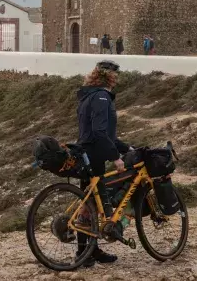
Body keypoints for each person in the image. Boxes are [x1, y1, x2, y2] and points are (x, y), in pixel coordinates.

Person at [75, 60, 130, 267]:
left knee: (90, 203)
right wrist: (116, 157)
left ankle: (89, 250)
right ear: (110, 77)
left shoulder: (88, 94)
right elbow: (99, 132)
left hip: (86, 152)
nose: (117, 80)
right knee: (90, 204)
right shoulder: (101, 96)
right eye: (116, 76)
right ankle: (84, 252)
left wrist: (127, 148)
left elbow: (102, 134)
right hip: (94, 155)